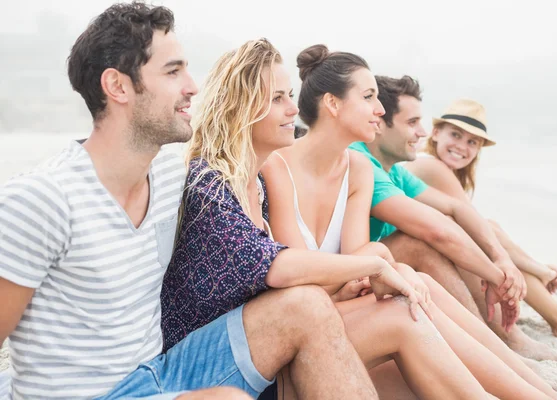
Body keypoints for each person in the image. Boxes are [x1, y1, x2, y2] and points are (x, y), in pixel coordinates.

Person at [0, 5, 361, 400]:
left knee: (307, 306)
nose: (192, 86)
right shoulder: (41, 200)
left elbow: (238, 165)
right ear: (117, 86)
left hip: (161, 370)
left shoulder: (174, 180)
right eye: (173, 72)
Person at [260, 44, 557, 399]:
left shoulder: (356, 168)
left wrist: (373, 267)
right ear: (333, 104)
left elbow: (359, 253)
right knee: (409, 298)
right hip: (302, 332)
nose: (380, 109)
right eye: (369, 96)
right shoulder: (277, 165)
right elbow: (301, 283)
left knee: (419, 285)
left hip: (338, 310)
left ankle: (540, 391)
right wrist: (366, 270)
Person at [347, 74, 557, 364]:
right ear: (380, 123)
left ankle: (501, 342)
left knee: (468, 235)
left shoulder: (395, 169)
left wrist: (502, 260)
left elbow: (457, 208)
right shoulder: (365, 161)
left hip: (377, 269)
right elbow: (440, 231)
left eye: (472, 142)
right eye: (412, 122)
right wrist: (498, 275)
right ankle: (500, 344)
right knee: (426, 241)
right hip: (353, 280)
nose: (422, 132)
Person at [402, 97, 557, 341]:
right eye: (455, 135)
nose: (462, 146)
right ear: (435, 133)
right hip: (413, 260)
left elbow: (480, 228)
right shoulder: (431, 166)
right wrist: (540, 270)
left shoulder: (435, 168)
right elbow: (477, 229)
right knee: (492, 244)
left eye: (472, 141)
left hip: (424, 258)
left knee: (492, 235)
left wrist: (538, 268)